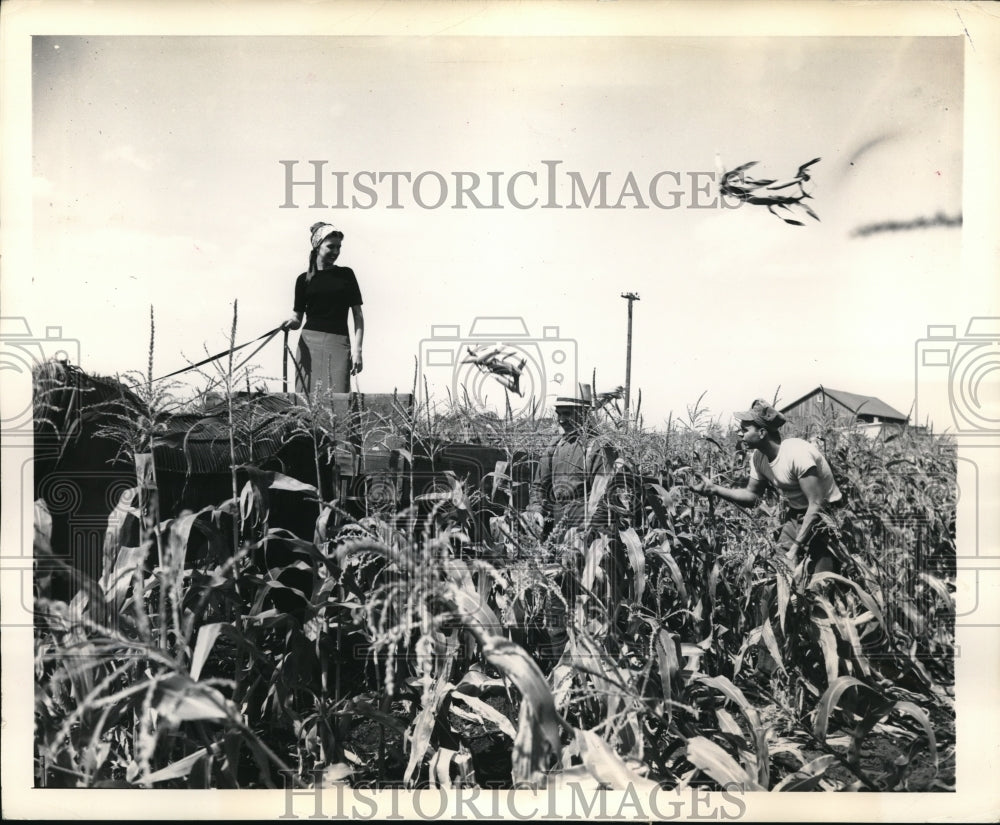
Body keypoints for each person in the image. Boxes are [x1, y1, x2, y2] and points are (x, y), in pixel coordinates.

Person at [687, 397, 844, 575]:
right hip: (796, 515)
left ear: (762, 433)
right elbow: (752, 496)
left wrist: (795, 549)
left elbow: (817, 504)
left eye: (744, 430)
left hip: (825, 516)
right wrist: (714, 489)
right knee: (782, 570)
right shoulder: (758, 458)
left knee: (822, 582)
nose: (740, 434)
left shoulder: (796, 453)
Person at [281, 223, 364, 395]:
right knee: (305, 400)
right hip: (308, 345)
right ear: (318, 246)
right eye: (331, 246)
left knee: (338, 398)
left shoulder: (346, 274)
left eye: (338, 247)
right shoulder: (302, 279)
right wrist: (291, 322)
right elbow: (298, 318)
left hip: (339, 343)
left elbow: (358, 316)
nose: (336, 252)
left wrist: (357, 351)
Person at [526, 392, 618, 540]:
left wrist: (589, 530)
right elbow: (539, 485)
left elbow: (605, 494)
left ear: (584, 414)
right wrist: (536, 510)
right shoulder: (555, 445)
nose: (561, 420)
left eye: (567, 414)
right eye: (559, 414)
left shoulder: (599, 447)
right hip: (558, 521)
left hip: (587, 523)